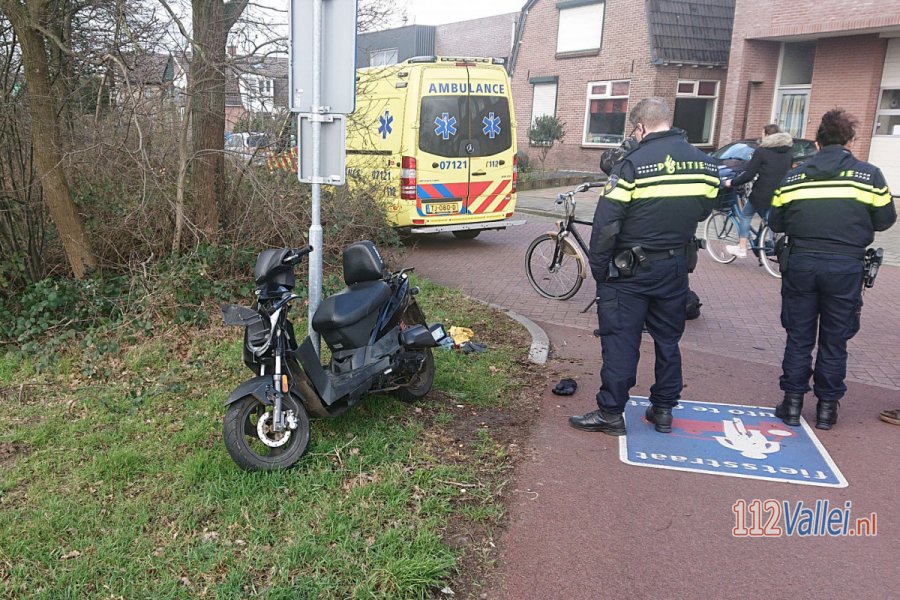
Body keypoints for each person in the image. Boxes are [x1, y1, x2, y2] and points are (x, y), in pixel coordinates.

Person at [569, 97, 719, 436]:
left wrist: (600, 268)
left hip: (630, 272)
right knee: (668, 340)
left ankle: (610, 414)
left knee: (621, 340)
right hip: (675, 266)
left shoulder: (632, 165)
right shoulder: (704, 163)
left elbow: (607, 223)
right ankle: (663, 409)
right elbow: (704, 209)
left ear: (640, 128)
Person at [769, 109, 896, 430]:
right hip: (846, 265)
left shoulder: (794, 176)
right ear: (850, 141)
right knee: (835, 339)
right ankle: (827, 409)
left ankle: (793, 404)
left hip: (801, 263)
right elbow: (885, 220)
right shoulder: (870, 176)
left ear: (816, 142)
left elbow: (775, 221)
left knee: (798, 336)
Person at [723, 124, 794, 258]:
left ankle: (742, 247)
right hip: (780, 193)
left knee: (746, 215)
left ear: (766, 135)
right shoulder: (788, 151)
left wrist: (731, 182)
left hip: (762, 193)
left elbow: (749, 174)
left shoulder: (762, 151)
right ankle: (769, 243)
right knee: (771, 220)